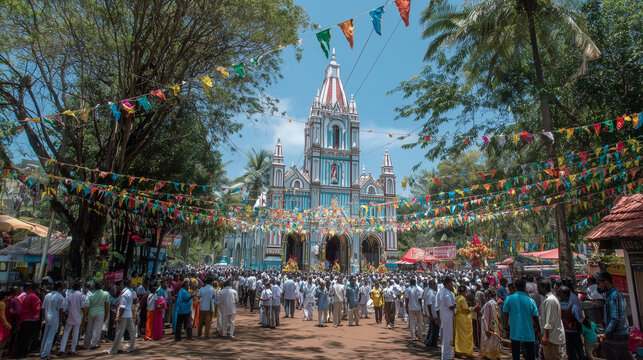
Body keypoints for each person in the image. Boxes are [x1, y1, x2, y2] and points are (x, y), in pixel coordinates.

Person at [594, 271, 633, 359]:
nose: (598, 287)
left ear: (606, 282)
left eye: (599, 284)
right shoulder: (613, 295)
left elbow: (615, 318)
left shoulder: (613, 297)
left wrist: (605, 334)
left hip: (617, 335)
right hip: (619, 335)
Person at [502, 278, 539, 360]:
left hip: (515, 330)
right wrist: (539, 329)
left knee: (515, 353)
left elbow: (505, 313)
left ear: (515, 287)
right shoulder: (530, 301)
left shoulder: (509, 299)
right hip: (528, 331)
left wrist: (506, 326)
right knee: (530, 353)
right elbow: (535, 316)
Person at [537, 278, 566, 360]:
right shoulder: (546, 299)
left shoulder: (550, 300)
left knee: (555, 356)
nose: (537, 290)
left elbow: (549, 320)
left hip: (553, 337)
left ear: (544, 287)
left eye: (539, 288)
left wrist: (545, 335)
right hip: (550, 336)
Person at [107, 280, 136, 355]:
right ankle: (132, 347)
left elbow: (122, 307)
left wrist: (118, 317)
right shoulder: (129, 292)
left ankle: (114, 350)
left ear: (123, 285)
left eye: (120, 285)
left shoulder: (124, 294)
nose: (119, 286)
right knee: (132, 331)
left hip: (123, 315)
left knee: (119, 332)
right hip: (129, 315)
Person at [558, 285, 585, 360]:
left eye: (560, 293)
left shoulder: (573, 306)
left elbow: (579, 319)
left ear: (565, 295)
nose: (558, 295)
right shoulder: (560, 303)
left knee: (578, 349)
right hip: (566, 331)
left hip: (574, 331)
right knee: (570, 351)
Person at [15, 282, 41, 358]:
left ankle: (20, 353)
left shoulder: (27, 296)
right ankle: (23, 353)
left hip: (24, 319)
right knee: (27, 337)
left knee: (23, 337)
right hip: (30, 319)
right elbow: (36, 309)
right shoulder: (34, 297)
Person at [83, 281, 109, 350]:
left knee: (89, 328)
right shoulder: (106, 294)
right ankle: (93, 344)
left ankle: (86, 343)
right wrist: (106, 314)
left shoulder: (91, 295)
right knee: (97, 329)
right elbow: (107, 305)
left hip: (91, 313)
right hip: (100, 313)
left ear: (94, 288)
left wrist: (85, 316)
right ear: (101, 287)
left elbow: (87, 307)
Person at [40, 282, 64, 359]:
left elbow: (43, 308)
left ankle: (42, 352)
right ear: (59, 288)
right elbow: (61, 310)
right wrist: (60, 321)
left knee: (45, 336)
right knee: (50, 336)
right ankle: (45, 354)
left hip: (47, 317)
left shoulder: (47, 295)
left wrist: (44, 317)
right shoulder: (60, 297)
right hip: (55, 318)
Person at [59, 282, 83, 356]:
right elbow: (84, 305)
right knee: (75, 333)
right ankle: (73, 349)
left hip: (70, 316)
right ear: (79, 288)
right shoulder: (81, 296)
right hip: (78, 317)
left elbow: (65, 307)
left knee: (66, 333)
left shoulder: (70, 296)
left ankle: (62, 349)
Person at [480, 288, 502, 360]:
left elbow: (485, 317)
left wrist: (486, 329)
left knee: (489, 344)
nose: (484, 297)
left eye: (485, 295)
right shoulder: (494, 303)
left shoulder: (489, 304)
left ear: (489, 295)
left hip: (489, 327)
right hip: (494, 327)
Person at [437, 277, 456, 360]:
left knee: (446, 337)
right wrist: (456, 304)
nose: (452, 285)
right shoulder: (447, 293)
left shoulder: (442, 291)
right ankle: (446, 356)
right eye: (451, 284)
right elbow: (451, 306)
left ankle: (445, 355)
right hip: (447, 317)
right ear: (447, 284)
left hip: (445, 316)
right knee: (447, 337)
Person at [454, 284, 473, 356]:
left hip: (458, 317)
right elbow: (466, 310)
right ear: (464, 292)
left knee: (459, 334)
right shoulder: (462, 299)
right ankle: (464, 350)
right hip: (463, 318)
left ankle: (458, 349)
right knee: (465, 334)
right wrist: (471, 308)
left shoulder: (456, 298)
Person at [424, 279, 439, 348]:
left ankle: (431, 341)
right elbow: (429, 305)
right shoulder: (430, 293)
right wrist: (431, 315)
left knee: (433, 328)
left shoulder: (433, 292)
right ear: (430, 285)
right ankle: (430, 342)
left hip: (434, 314)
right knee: (433, 328)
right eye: (434, 284)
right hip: (432, 314)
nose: (435, 286)